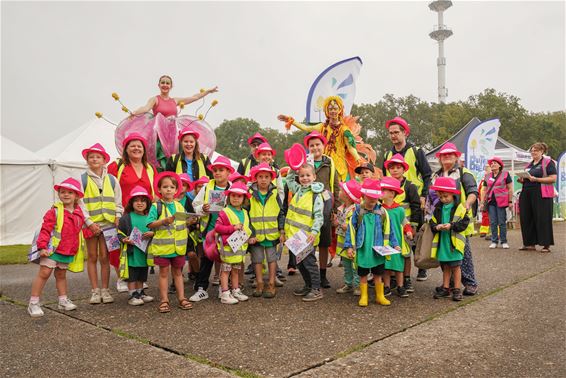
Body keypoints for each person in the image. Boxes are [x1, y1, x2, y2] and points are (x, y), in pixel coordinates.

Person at [131, 75, 218, 169]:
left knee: (177, 157)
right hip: (160, 136)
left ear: (171, 86)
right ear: (159, 85)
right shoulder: (155, 99)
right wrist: (135, 112)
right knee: (161, 160)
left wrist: (208, 92)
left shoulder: (175, 100)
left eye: (167, 83)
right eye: (163, 82)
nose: (165, 85)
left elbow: (194, 97)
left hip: (174, 137)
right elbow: (146, 108)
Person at [382, 117, 432, 281]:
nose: (393, 136)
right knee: (396, 236)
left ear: (405, 133)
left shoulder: (416, 151)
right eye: (391, 133)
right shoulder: (388, 154)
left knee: (415, 236)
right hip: (393, 204)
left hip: (415, 201)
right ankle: (396, 272)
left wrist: (424, 195)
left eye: (396, 132)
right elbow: (384, 178)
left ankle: (421, 266)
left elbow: (427, 174)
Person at [28, 178, 86, 317]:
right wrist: (42, 247)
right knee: (44, 273)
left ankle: (63, 300)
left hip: (67, 250)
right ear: (59, 194)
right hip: (51, 249)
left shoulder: (79, 213)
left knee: (61, 275)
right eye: (62, 192)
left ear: (76, 196)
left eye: (70, 192)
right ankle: (33, 303)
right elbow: (45, 230)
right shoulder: (54, 211)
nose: (66, 194)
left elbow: (79, 232)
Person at [427, 143, 479, 296]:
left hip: (459, 220)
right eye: (444, 155)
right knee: (444, 253)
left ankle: (470, 283)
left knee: (463, 254)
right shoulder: (435, 175)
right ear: (440, 158)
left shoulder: (464, 172)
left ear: (457, 157)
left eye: (450, 154)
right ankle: (448, 285)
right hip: (441, 220)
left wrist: (468, 204)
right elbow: (430, 196)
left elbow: (472, 191)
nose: (447, 157)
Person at [278, 96, 362, 181]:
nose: (333, 111)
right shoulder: (322, 127)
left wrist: (358, 159)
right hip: (323, 164)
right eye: (330, 109)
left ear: (339, 110)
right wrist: (291, 121)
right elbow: (306, 128)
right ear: (327, 111)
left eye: (335, 108)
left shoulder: (345, 130)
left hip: (339, 167)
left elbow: (351, 148)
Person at [344, 179, 400, 307]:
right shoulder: (357, 212)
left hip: (378, 249)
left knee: (378, 273)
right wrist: (349, 247)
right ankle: (364, 296)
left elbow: (390, 230)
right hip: (363, 248)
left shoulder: (382, 212)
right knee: (363, 272)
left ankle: (379, 296)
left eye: (375, 198)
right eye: (370, 198)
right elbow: (351, 230)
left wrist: (394, 243)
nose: (373, 200)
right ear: (363, 196)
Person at [79, 143, 123, 304]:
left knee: (105, 257)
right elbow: (80, 203)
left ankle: (105, 290)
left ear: (104, 160)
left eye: (98, 157)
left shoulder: (112, 180)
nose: (95, 159)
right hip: (91, 224)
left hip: (109, 224)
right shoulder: (82, 179)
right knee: (92, 256)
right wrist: (89, 222)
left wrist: (118, 215)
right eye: (91, 157)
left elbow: (118, 201)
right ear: (87, 160)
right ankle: (95, 291)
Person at [146, 172, 192, 313]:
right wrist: (164, 221)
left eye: (172, 187)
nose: (168, 189)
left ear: (176, 189)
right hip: (163, 248)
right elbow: (149, 224)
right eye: (165, 187)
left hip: (178, 247)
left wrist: (190, 221)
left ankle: (182, 298)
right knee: (164, 274)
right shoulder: (156, 206)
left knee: (178, 273)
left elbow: (183, 223)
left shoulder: (179, 206)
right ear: (159, 189)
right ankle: (164, 300)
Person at [190, 156, 234, 302]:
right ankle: (201, 288)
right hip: (210, 231)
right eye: (215, 170)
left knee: (225, 260)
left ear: (228, 172)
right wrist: (202, 208)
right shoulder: (207, 187)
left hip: (227, 231)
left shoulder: (233, 188)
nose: (217, 173)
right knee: (207, 259)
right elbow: (195, 205)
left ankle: (224, 288)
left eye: (221, 170)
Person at [304, 131, 340, 288]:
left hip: (325, 207)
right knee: (308, 241)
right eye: (311, 145)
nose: (315, 147)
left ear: (323, 146)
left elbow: (336, 186)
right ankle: (309, 277)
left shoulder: (329, 163)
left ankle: (323, 274)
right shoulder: (304, 163)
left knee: (324, 242)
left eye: (318, 144)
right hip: (307, 207)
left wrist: (335, 209)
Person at [285, 164, 325, 302]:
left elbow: (319, 217)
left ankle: (316, 289)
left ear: (314, 177)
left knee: (309, 263)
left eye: (308, 175)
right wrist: (293, 167)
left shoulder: (316, 196)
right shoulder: (298, 189)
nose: (305, 178)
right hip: (296, 236)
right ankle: (308, 285)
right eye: (302, 175)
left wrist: (314, 232)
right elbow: (289, 180)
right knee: (300, 263)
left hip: (307, 236)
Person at [384, 153, 421, 293]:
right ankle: (392, 280)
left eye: (398, 167)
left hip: (405, 226)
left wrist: (414, 226)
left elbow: (416, 206)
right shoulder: (385, 185)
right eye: (392, 167)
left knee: (405, 254)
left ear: (404, 169)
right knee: (390, 254)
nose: (395, 170)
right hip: (388, 229)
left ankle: (406, 279)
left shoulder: (410, 186)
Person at [429, 177, 470, 301]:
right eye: (440, 197)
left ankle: (457, 289)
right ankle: (446, 288)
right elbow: (432, 223)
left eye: (446, 196)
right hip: (443, 243)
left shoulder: (460, 208)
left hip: (455, 244)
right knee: (446, 266)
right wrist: (437, 227)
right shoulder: (438, 208)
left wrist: (452, 226)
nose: (443, 199)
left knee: (456, 267)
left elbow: (464, 223)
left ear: (453, 194)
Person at [248, 163, 286, 298]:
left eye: (266, 177)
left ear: (271, 179)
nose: (263, 179)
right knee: (257, 260)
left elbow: (281, 213)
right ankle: (259, 283)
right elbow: (246, 215)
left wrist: (282, 231)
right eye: (260, 177)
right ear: (255, 178)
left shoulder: (275, 193)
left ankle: (271, 283)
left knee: (272, 259)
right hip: (256, 235)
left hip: (271, 234)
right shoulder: (250, 194)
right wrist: (250, 233)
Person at [215, 182, 254, 304]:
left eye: (239, 196)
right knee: (226, 270)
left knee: (236, 270)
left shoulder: (245, 213)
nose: (236, 198)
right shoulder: (224, 212)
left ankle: (235, 290)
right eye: (233, 195)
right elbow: (218, 228)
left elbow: (246, 229)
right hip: (227, 248)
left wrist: (249, 238)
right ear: (229, 197)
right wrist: (233, 227)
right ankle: (225, 293)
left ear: (244, 199)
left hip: (239, 249)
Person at [117, 186, 155, 306]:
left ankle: (140, 292)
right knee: (132, 274)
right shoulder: (126, 218)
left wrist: (152, 233)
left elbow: (157, 231)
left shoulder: (150, 218)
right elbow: (119, 233)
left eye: (143, 200)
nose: (140, 203)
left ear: (147, 203)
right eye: (136, 200)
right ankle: (132, 294)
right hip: (132, 252)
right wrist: (125, 239)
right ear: (131, 203)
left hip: (145, 252)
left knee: (142, 273)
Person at [518, 142, 557, 252]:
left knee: (542, 218)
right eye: (532, 150)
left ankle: (546, 245)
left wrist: (537, 179)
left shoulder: (548, 163)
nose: (533, 152)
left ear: (542, 151)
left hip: (541, 193)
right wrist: (522, 179)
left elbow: (553, 178)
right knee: (527, 217)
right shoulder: (529, 164)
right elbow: (528, 177)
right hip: (527, 192)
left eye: (536, 150)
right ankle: (529, 243)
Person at [380, 177, 414, 298]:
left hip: (398, 242)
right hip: (384, 242)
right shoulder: (380, 209)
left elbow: (405, 223)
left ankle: (400, 286)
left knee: (399, 266)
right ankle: (387, 286)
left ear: (392, 193)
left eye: (384, 190)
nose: (381, 192)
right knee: (386, 266)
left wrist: (409, 231)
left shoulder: (399, 210)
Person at [108, 133, 157, 208]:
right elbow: (107, 190)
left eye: (139, 146)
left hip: (147, 215)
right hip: (123, 214)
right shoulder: (116, 166)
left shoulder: (150, 168)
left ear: (144, 150)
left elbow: (158, 190)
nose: (136, 148)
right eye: (132, 146)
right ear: (126, 150)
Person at [334, 180, 362, 296]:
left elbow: (359, 225)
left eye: (341, 190)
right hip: (342, 243)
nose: (339, 192)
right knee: (346, 266)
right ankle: (348, 283)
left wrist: (349, 227)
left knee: (355, 265)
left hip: (352, 243)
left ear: (348, 195)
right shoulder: (341, 208)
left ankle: (358, 285)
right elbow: (339, 222)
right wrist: (335, 222)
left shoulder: (356, 210)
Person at [165, 127, 212, 191]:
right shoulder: (173, 159)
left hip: (200, 197)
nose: (189, 144)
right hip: (181, 197)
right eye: (186, 141)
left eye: (191, 142)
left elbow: (212, 179)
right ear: (181, 142)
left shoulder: (204, 159)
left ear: (195, 143)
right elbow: (167, 180)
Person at [481, 157, 513, 249]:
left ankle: (504, 241)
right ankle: (494, 241)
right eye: (491, 163)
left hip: (502, 201)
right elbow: (484, 190)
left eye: (495, 163)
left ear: (500, 165)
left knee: (502, 222)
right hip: (491, 202)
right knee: (493, 222)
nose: (492, 164)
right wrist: (482, 202)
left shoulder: (505, 174)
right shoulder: (487, 176)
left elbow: (510, 188)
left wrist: (510, 201)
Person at [478, 164, 492, 239]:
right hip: (484, 200)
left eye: (487, 169)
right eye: (485, 169)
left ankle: (496, 233)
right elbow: (480, 189)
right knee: (485, 215)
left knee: (494, 217)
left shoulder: (492, 178)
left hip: (491, 199)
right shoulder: (484, 179)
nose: (486, 171)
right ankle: (484, 231)